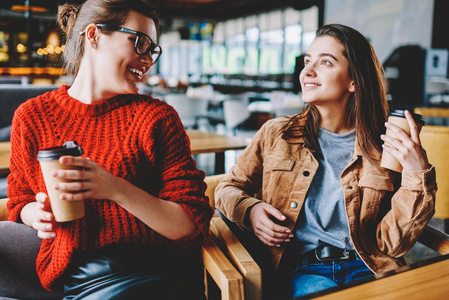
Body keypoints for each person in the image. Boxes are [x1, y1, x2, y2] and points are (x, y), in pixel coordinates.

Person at [5, 0, 213, 298]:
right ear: (94, 36)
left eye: (153, 49)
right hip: (76, 279)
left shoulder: (157, 118)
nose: (148, 59)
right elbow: (19, 198)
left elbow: (190, 225)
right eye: (140, 42)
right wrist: (34, 214)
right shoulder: (33, 116)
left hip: (156, 273)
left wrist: (114, 188)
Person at [215, 24, 436, 299]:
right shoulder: (277, 134)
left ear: (353, 80)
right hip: (306, 271)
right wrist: (250, 210)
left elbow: (392, 245)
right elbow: (226, 188)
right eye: (307, 61)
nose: (307, 71)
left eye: (325, 62)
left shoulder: (387, 145)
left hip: (372, 268)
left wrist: (417, 173)